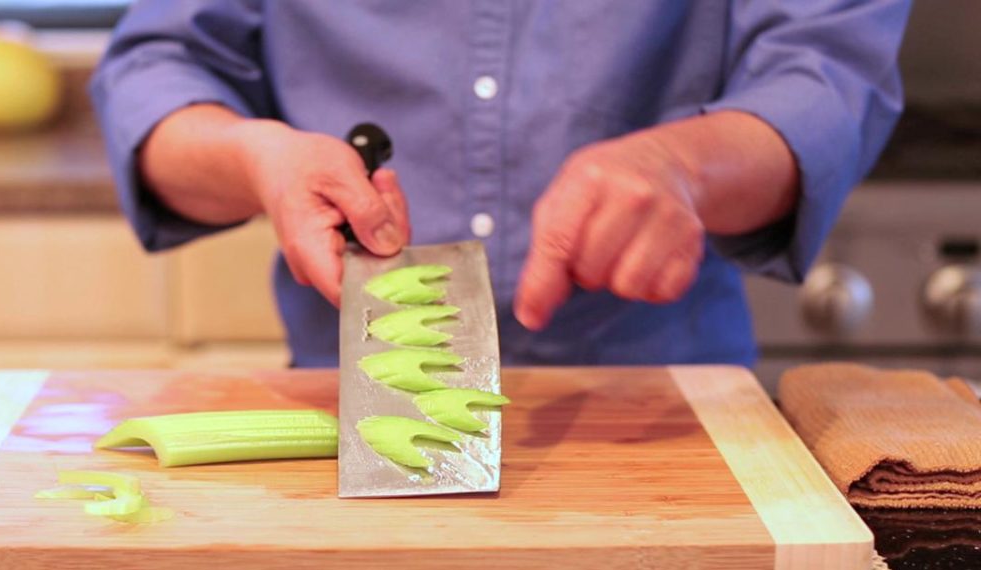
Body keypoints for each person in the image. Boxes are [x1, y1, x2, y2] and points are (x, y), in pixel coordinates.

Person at [90, 1, 909, 368]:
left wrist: (685, 167)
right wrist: (257, 159)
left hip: (667, 408)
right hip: (343, 406)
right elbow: (157, 73)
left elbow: (826, 73)